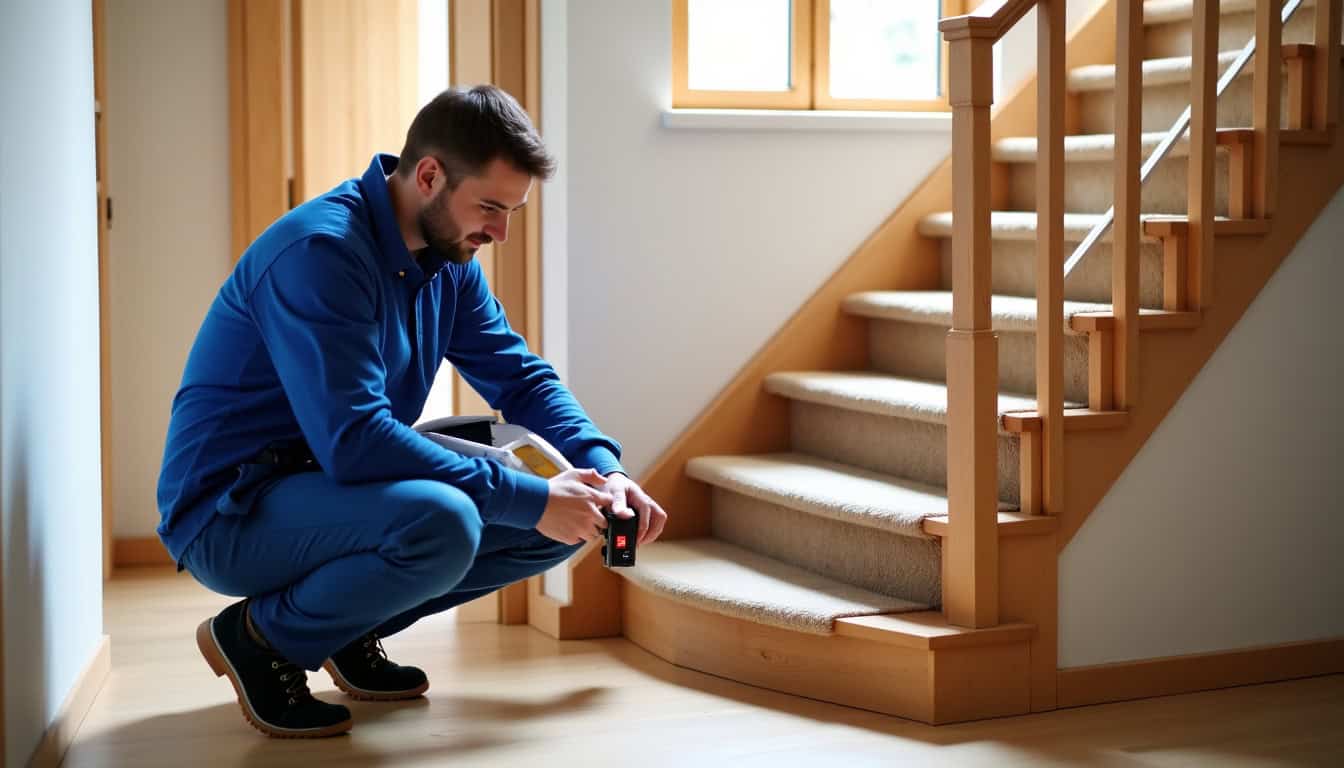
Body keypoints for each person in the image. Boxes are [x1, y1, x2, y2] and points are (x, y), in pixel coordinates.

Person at [156, 85, 667, 739]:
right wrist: (531, 497)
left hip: (333, 481)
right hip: (232, 510)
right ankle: (260, 638)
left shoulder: (448, 259)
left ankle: (347, 626)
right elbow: (357, 441)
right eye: (489, 207)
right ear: (429, 175)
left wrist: (604, 470)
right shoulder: (320, 254)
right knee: (451, 519)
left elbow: (521, 378)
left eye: (512, 212)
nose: (501, 232)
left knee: (565, 511)